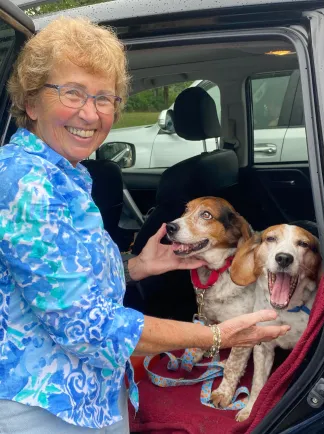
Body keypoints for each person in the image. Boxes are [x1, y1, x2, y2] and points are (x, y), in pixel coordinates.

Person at [0, 17, 290, 434]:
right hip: (46, 407)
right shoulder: (27, 184)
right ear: (31, 102)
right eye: (72, 93)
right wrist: (212, 337)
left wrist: (137, 267)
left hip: (89, 393)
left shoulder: (66, 175)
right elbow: (90, 327)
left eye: (105, 98)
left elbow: (64, 284)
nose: (90, 112)